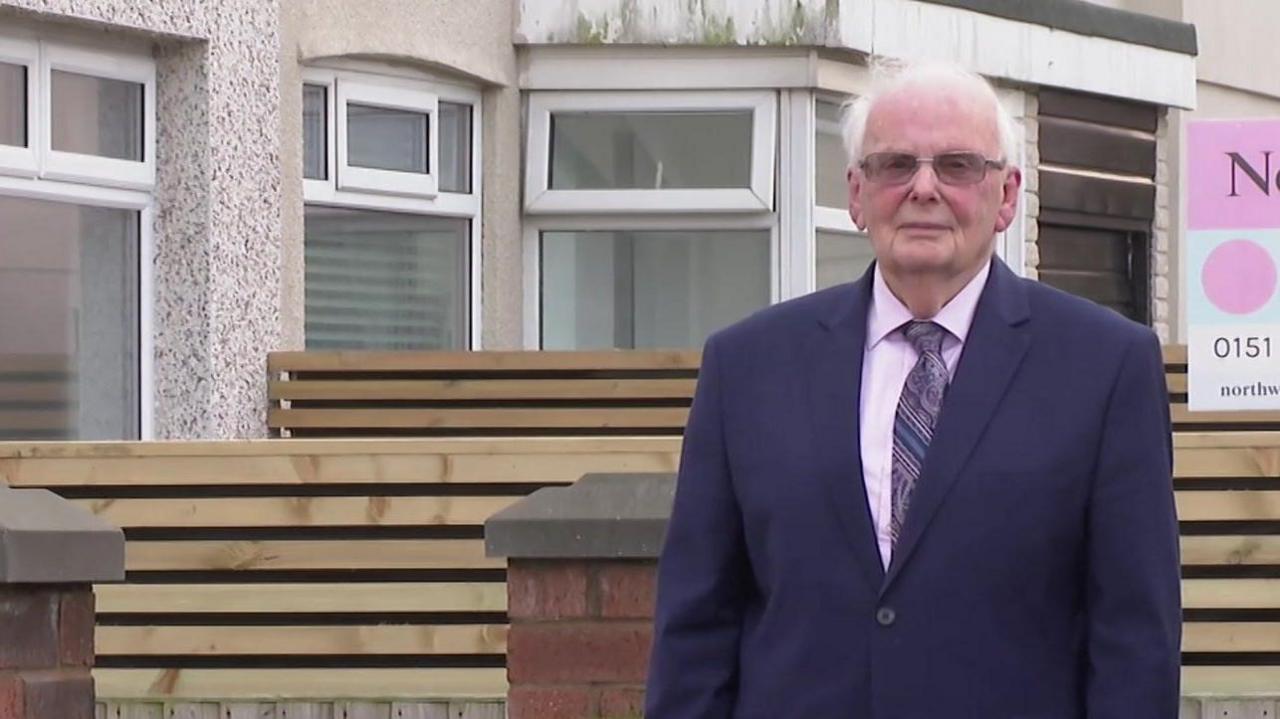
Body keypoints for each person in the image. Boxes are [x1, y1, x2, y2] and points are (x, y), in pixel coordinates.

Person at [645, 59, 1181, 718]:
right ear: (856, 193)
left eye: (958, 166)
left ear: (1008, 195)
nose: (923, 188)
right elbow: (696, 623)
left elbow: (1135, 636)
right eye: (895, 165)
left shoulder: (1106, 366)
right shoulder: (747, 367)